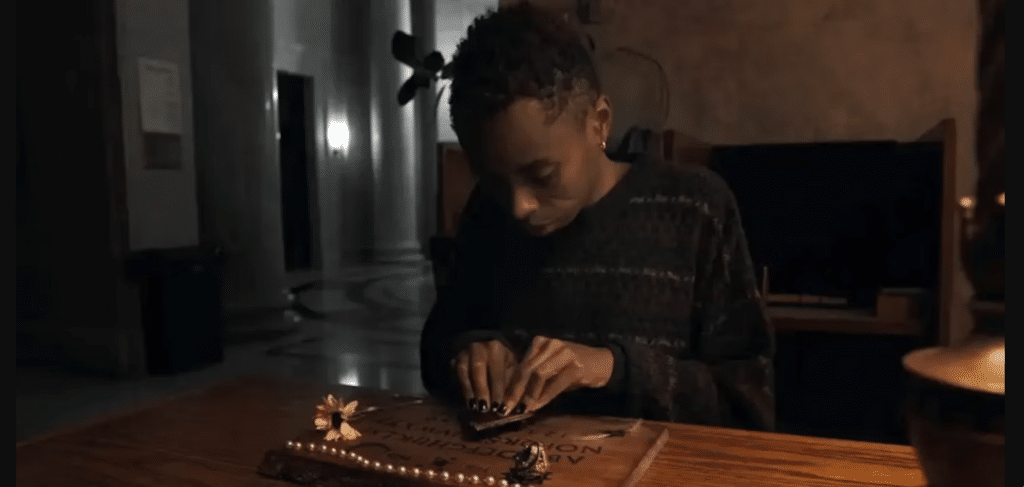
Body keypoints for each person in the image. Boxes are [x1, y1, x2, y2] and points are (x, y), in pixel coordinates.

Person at [420, 1, 775, 432]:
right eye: (495, 181)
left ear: (599, 123)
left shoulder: (695, 209)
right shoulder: (488, 213)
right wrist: (468, 352)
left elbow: (748, 403)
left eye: (542, 175)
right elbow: (436, 349)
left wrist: (613, 369)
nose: (519, 206)